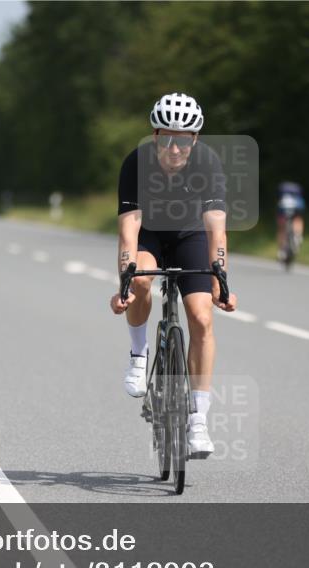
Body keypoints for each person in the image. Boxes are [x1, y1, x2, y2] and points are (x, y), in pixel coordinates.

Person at [109, 92, 238, 458]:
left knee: (200, 316)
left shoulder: (208, 164)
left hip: (189, 235)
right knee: (140, 281)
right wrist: (124, 281)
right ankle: (138, 354)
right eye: (166, 138)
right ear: (155, 136)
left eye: (182, 140)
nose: (174, 148)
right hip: (149, 232)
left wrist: (221, 280)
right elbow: (129, 230)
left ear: (194, 140)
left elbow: (216, 230)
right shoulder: (137, 163)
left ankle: (198, 421)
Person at [275, 181, 305, 261]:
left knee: (281, 229)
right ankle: (298, 235)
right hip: (297, 208)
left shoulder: (283, 197)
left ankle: (281, 250)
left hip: (283, 210)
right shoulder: (298, 198)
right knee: (298, 219)